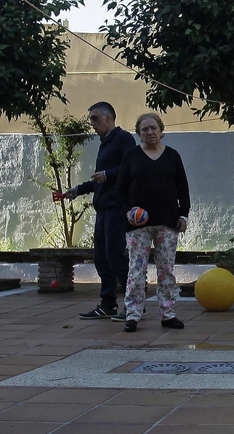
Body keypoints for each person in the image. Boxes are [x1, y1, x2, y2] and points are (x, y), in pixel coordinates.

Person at [60, 102, 137, 321]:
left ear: (108, 118)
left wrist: (109, 175)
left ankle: (134, 305)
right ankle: (108, 305)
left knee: (116, 257)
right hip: (103, 210)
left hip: (116, 209)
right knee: (102, 259)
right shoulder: (105, 143)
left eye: (94, 119)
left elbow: (131, 167)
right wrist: (79, 189)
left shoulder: (123, 139)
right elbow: (99, 180)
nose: (92, 124)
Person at [117, 112, 191, 332]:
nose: (150, 132)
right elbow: (120, 190)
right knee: (136, 270)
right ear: (139, 133)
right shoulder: (131, 156)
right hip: (137, 226)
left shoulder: (172, 156)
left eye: (153, 128)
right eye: (144, 129)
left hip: (167, 222)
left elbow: (183, 188)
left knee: (166, 270)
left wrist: (183, 214)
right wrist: (128, 211)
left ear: (161, 130)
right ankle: (132, 315)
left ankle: (168, 314)